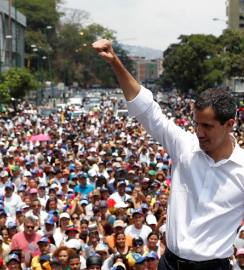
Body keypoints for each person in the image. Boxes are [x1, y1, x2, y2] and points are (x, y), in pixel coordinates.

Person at [93, 39, 240, 269]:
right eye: (196, 124)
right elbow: (147, 110)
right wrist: (116, 63)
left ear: (229, 124)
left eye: (208, 126)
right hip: (169, 264)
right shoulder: (184, 146)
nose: (199, 133)